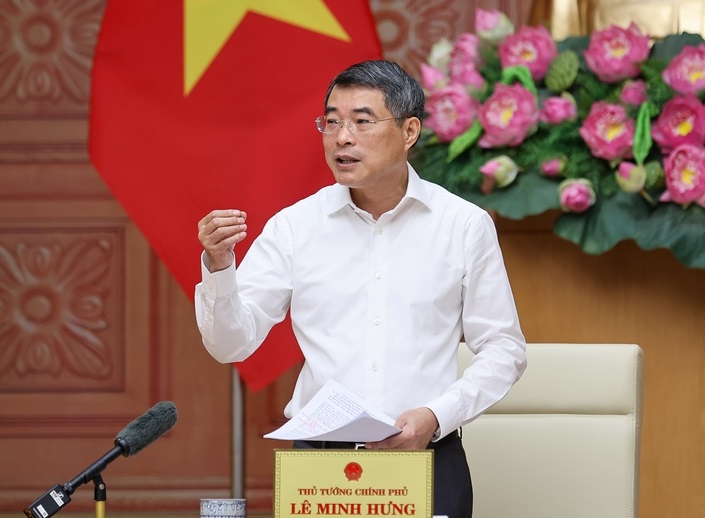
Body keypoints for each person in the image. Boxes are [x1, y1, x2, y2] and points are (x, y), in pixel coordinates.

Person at [195, 59, 526, 518]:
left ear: (409, 131)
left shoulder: (463, 225)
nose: (342, 138)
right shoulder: (295, 227)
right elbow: (230, 344)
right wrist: (219, 267)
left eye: (362, 121)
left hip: (426, 456)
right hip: (320, 468)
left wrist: (437, 415)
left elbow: (504, 349)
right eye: (331, 122)